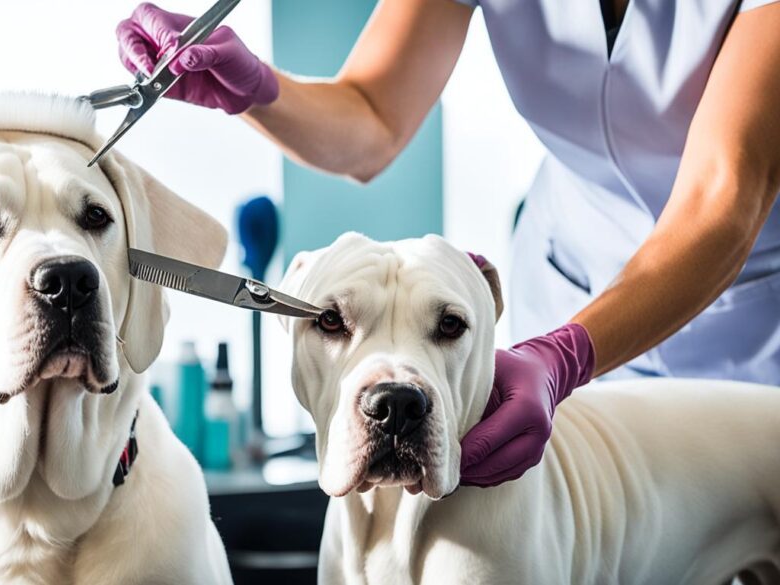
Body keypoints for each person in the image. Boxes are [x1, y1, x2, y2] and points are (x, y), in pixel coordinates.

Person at [115, 0, 780, 487]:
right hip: (570, 282)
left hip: (753, 315)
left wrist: (566, 356)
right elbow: (373, 117)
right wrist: (257, 90)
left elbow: (723, 198)